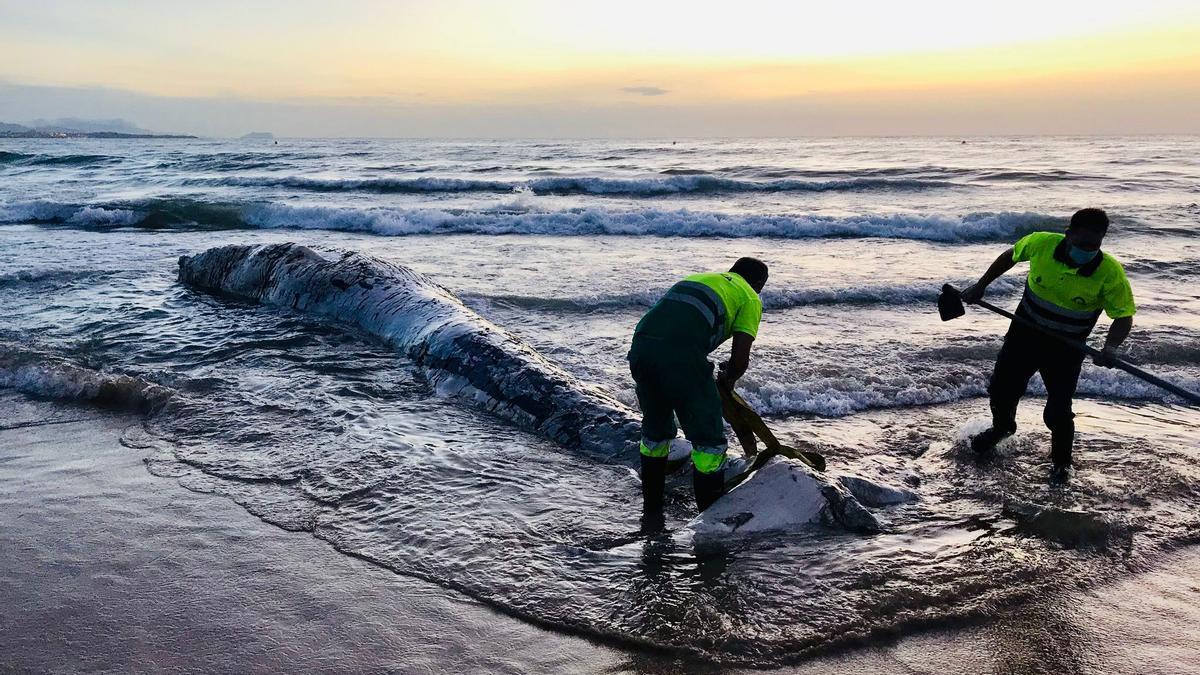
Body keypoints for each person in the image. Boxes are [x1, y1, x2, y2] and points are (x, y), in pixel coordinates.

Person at [960, 208, 1135, 482]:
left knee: (1058, 412)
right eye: (1082, 244)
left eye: (1094, 245)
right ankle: (1002, 428)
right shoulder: (1041, 243)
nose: (1087, 251)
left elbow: (1123, 316)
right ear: (1068, 235)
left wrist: (1110, 348)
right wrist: (981, 286)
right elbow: (1011, 255)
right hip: (1023, 335)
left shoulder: (1110, 273)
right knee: (1002, 390)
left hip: (1067, 349)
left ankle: (1061, 466)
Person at [628, 258, 768, 515]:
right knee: (709, 441)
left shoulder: (701, 279)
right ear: (759, 284)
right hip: (682, 355)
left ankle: (651, 508)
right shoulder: (749, 297)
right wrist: (728, 381)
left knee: (655, 432)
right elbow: (739, 360)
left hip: (641, 349)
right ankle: (707, 517)